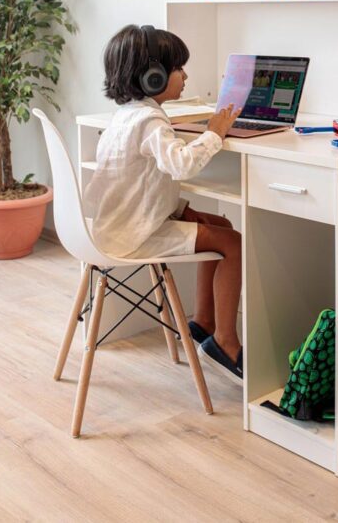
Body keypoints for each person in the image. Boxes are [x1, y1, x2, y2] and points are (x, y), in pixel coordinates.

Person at [84, 24, 243, 383]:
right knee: (233, 243)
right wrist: (214, 132)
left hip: (116, 225)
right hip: (135, 235)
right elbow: (181, 165)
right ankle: (225, 342)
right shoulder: (151, 120)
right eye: (179, 68)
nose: (185, 76)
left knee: (221, 226)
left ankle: (204, 323)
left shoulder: (126, 114)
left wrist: (180, 209)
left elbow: (142, 182)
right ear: (152, 76)